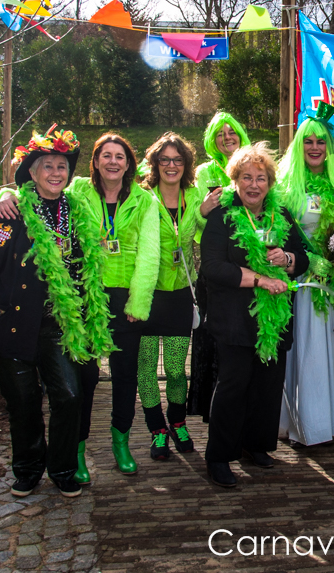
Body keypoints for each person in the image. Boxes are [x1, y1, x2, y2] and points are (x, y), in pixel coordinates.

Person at [0, 133, 160, 480]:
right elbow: (39, 193)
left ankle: (121, 443)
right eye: (106, 155)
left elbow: (150, 254)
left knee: (125, 375)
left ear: (128, 164)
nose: (113, 162)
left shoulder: (144, 200)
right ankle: (77, 449)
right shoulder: (78, 190)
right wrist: (4, 195)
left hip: (126, 298)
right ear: (95, 161)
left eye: (120, 156)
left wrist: (139, 301)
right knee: (84, 377)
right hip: (84, 296)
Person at [0, 127, 113, 498]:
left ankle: (63, 468)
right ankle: (28, 469)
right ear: (32, 173)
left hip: (59, 326)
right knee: (23, 404)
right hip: (13, 325)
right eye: (47, 166)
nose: (56, 172)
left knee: (69, 396)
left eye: (62, 166)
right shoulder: (11, 214)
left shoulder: (78, 212)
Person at [200, 142, 310, 488]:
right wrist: (260, 279)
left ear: (270, 183)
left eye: (261, 178)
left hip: (274, 318)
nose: (253, 185)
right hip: (234, 317)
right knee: (233, 385)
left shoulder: (281, 215)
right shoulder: (222, 216)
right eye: (246, 177)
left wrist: (287, 259)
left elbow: (303, 257)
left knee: (267, 385)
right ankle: (219, 457)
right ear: (235, 180)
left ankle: (256, 444)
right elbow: (212, 267)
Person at [276, 105, 334, 447]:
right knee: (305, 349)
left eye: (321, 141)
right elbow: (280, 235)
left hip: (330, 282)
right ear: (299, 145)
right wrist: (307, 261)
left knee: (329, 349)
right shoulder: (284, 187)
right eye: (308, 141)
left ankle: (331, 423)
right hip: (300, 282)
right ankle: (304, 425)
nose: (314, 147)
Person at [187, 111, 251, 422]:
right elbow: (194, 222)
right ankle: (211, 407)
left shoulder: (253, 167)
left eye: (232, 132)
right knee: (212, 339)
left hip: (251, 269)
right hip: (215, 270)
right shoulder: (203, 173)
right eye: (220, 134)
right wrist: (203, 210)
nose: (227, 138)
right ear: (212, 140)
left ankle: (246, 407)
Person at [139, 133, 199, 460]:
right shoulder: (141, 196)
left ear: (186, 164)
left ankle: (177, 422)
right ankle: (156, 429)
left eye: (178, 160)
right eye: (165, 160)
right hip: (146, 295)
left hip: (179, 295)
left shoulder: (196, 195)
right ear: (155, 163)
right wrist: (7, 192)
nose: (171, 165)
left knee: (176, 369)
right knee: (146, 369)